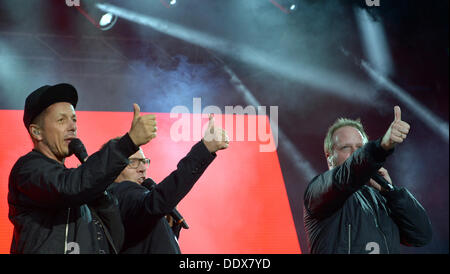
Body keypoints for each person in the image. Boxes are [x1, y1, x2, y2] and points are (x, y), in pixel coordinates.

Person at [8, 83, 157, 254]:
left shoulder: (78, 184)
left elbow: (114, 240)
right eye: (61, 120)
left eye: (74, 119)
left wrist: (103, 197)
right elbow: (69, 187)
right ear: (37, 132)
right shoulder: (28, 170)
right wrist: (127, 144)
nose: (72, 126)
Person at [303, 106, 432, 254]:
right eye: (345, 147)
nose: (354, 153)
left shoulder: (383, 199)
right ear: (329, 156)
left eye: (360, 147)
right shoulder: (318, 190)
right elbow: (349, 172)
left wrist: (391, 192)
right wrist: (382, 146)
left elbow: (421, 236)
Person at [108, 114, 229, 253]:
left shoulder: (141, 203)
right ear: (112, 168)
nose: (142, 168)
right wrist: (205, 149)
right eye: (133, 162)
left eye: (144, 161)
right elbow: (157, 201)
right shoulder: (119, 193)